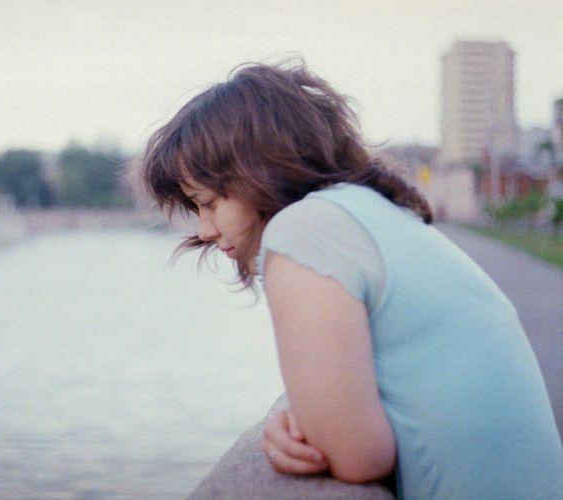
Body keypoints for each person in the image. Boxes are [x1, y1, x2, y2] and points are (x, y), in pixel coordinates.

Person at [138, 61, 563, 499]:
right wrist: (304, 413)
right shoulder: (366, 211)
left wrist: (303, 427)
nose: (205, 229)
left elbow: (358, 457)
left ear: (259, 174)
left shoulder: (302, 230)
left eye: (209, 203)